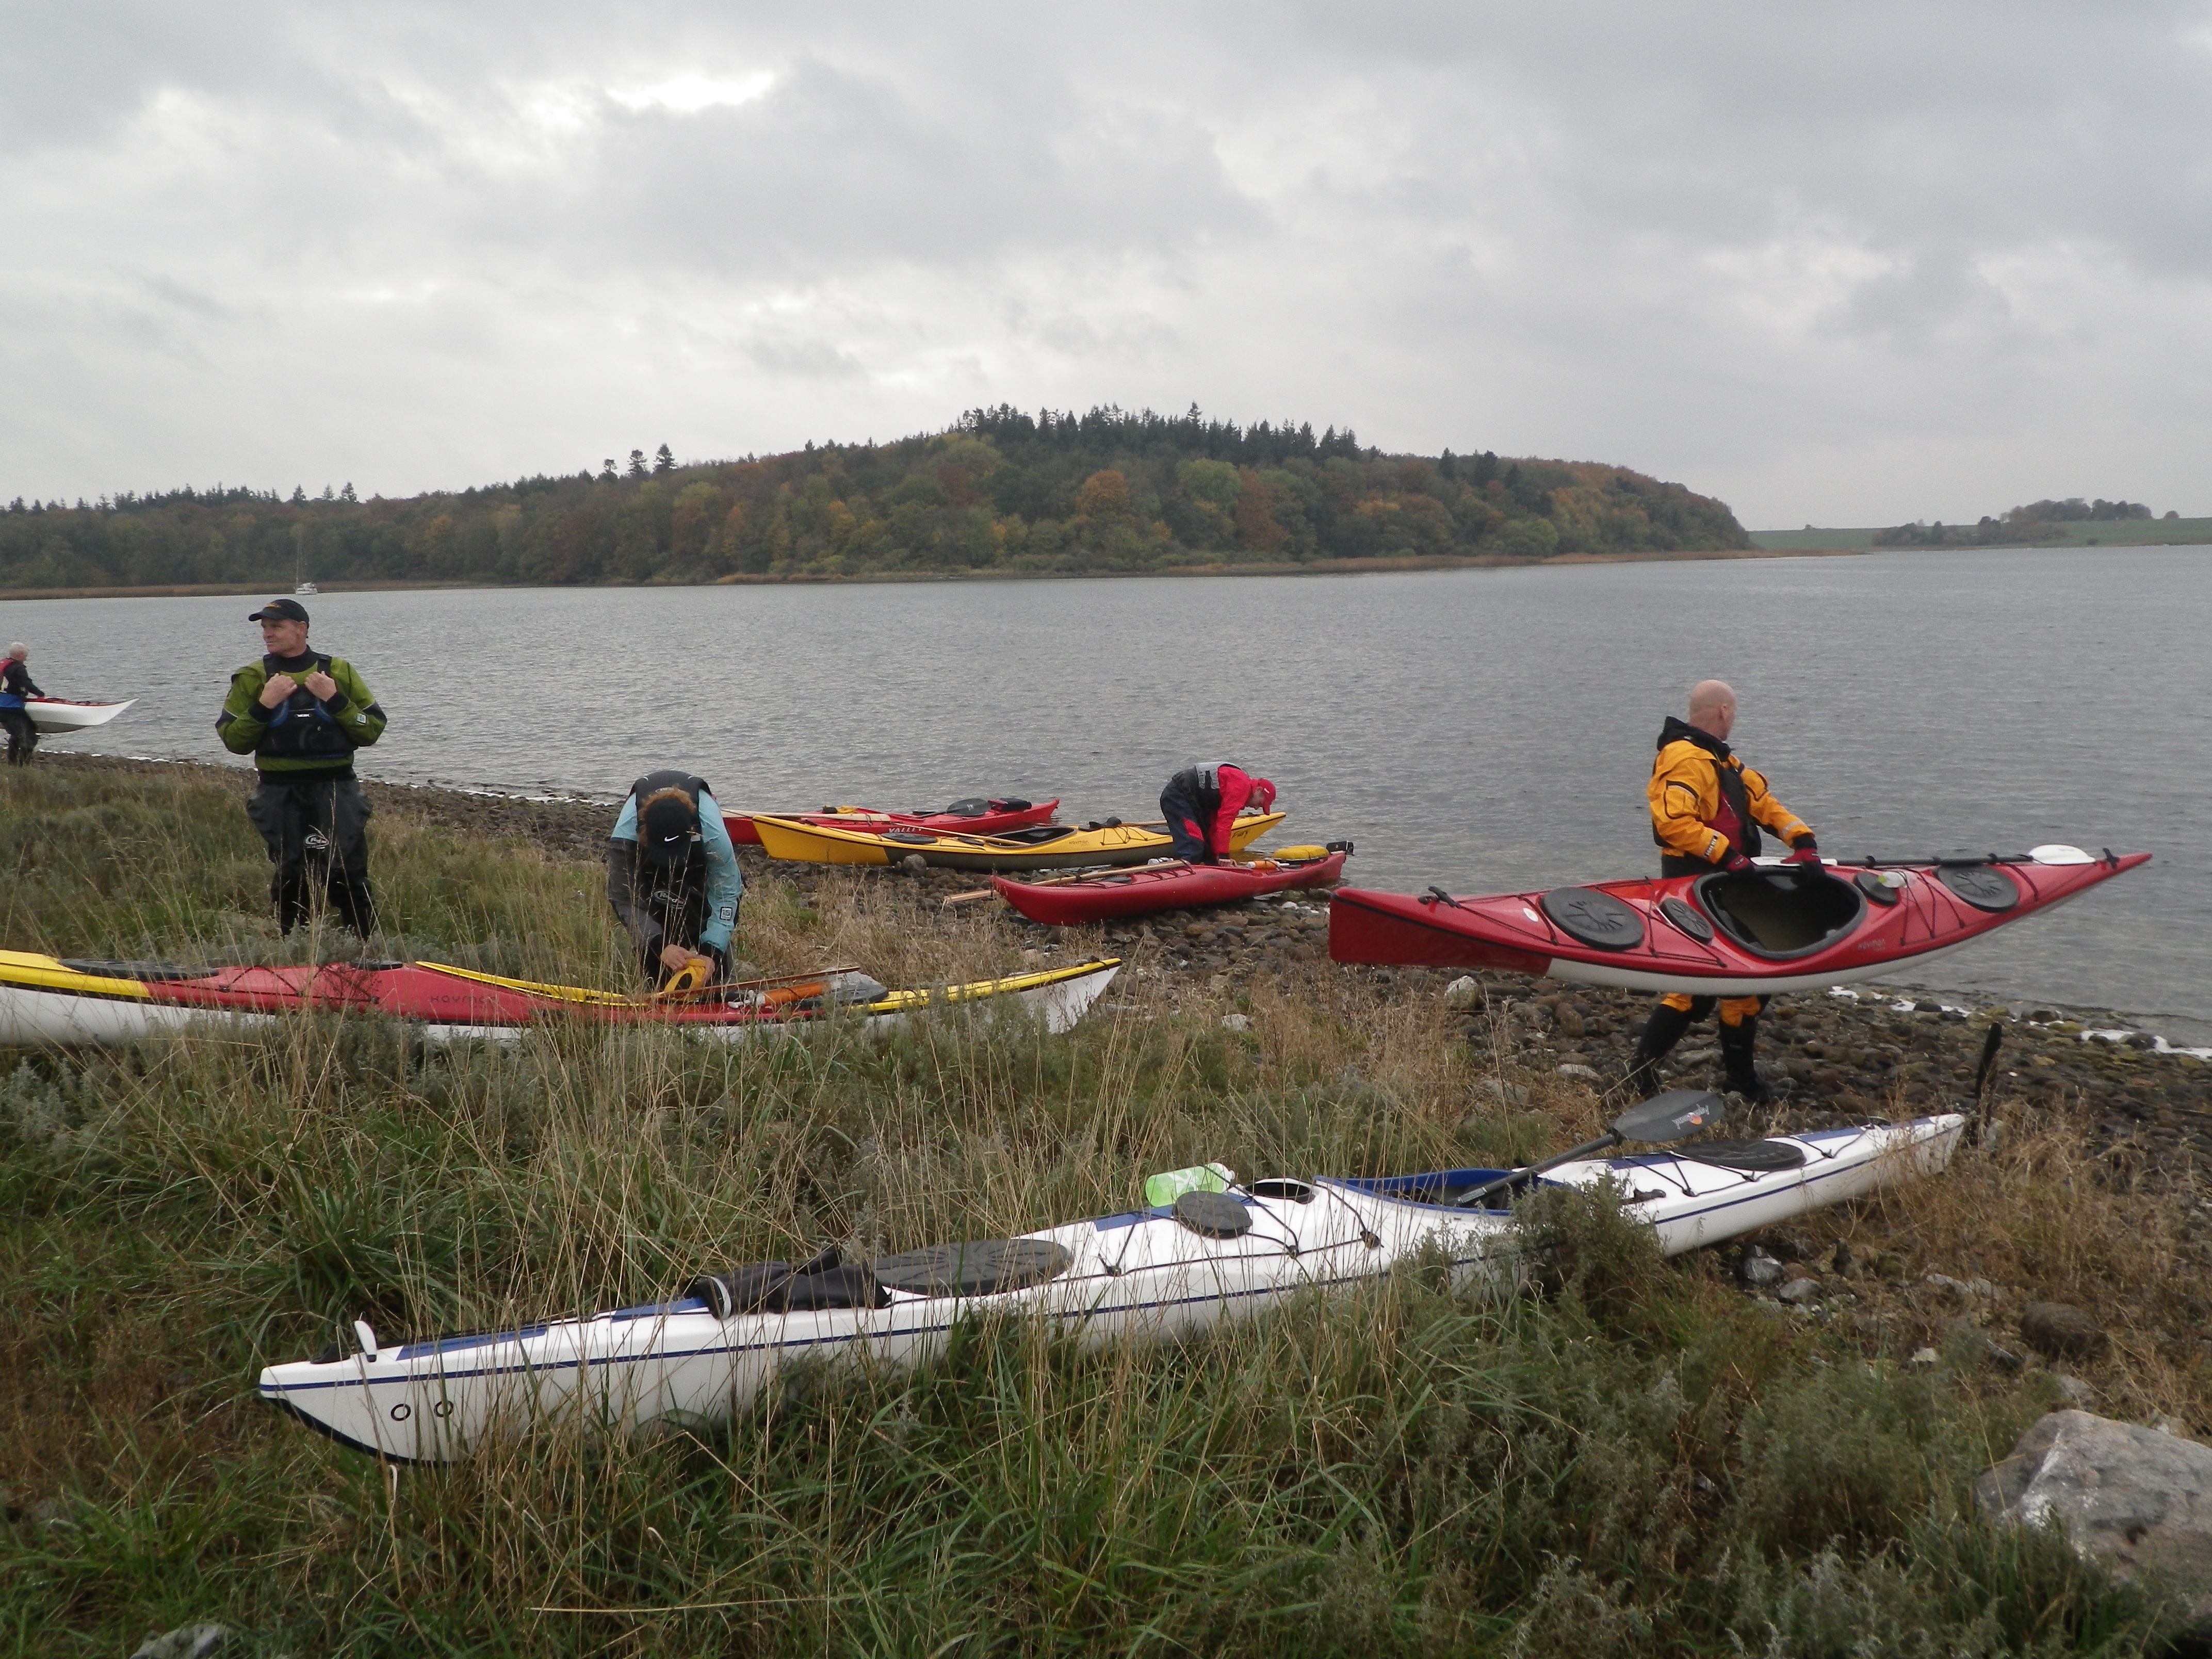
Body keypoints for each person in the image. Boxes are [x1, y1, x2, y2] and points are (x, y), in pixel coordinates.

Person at [1624, 680, 1820, 1105]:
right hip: (1695, 886)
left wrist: (1801, 840)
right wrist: (1728, 856)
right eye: (1735, 713)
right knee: (1704, 987)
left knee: (1739, 981)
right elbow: (1673, 824)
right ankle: (1655, 1076)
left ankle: (1733, 1079)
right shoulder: (1685, 759)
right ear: (1724, 712)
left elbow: (1763, 803)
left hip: (1724, 885)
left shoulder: (1721, 760)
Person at [216, 598, 386, 936]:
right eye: (264, 628)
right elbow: (234, 741)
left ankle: (367, 951)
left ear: (302, 629)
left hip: (337, 789)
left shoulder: (338, 671)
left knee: (347, 873)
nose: (268, 634)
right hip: (280, 793)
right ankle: (295, 950)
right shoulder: (252, 677)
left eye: (276, 627)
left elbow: (371, 729)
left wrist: (335, 699)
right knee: (292, 875)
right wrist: (265, 705)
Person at [606, 770, 744, 988]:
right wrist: (659, 945)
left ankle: (720, 979)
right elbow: (625, 900)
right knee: (656, 958)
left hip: (697, 855)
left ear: (691, 832)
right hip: (647, 865)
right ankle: (658, 987)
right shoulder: (625, 839)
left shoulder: (714, 836)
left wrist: (712, 951)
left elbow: (727, 895)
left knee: (705, 925)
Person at [1158, 763, 1277, 864]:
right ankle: (1168, 872)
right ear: (1258, 790)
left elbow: (1215, 825)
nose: (1256, 808)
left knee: (1207, 851)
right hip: (1178, 795)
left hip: (1189, 798)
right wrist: (1224, 855)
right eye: (1260, 803)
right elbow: (1225, 822)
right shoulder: (1242, 786)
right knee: (1193, 848)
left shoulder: (1234, 787)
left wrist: (1218, 858)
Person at [1, 642, 44, 766]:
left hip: (2, 707)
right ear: (20, 655)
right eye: (25, 656)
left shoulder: (3, 665)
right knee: (29, 737)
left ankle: (12, 764)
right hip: (11, 708)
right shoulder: (18, 668)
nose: (26, 658)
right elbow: (26, 683)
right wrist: (41, 694)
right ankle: (22, 766)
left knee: (17, 735)